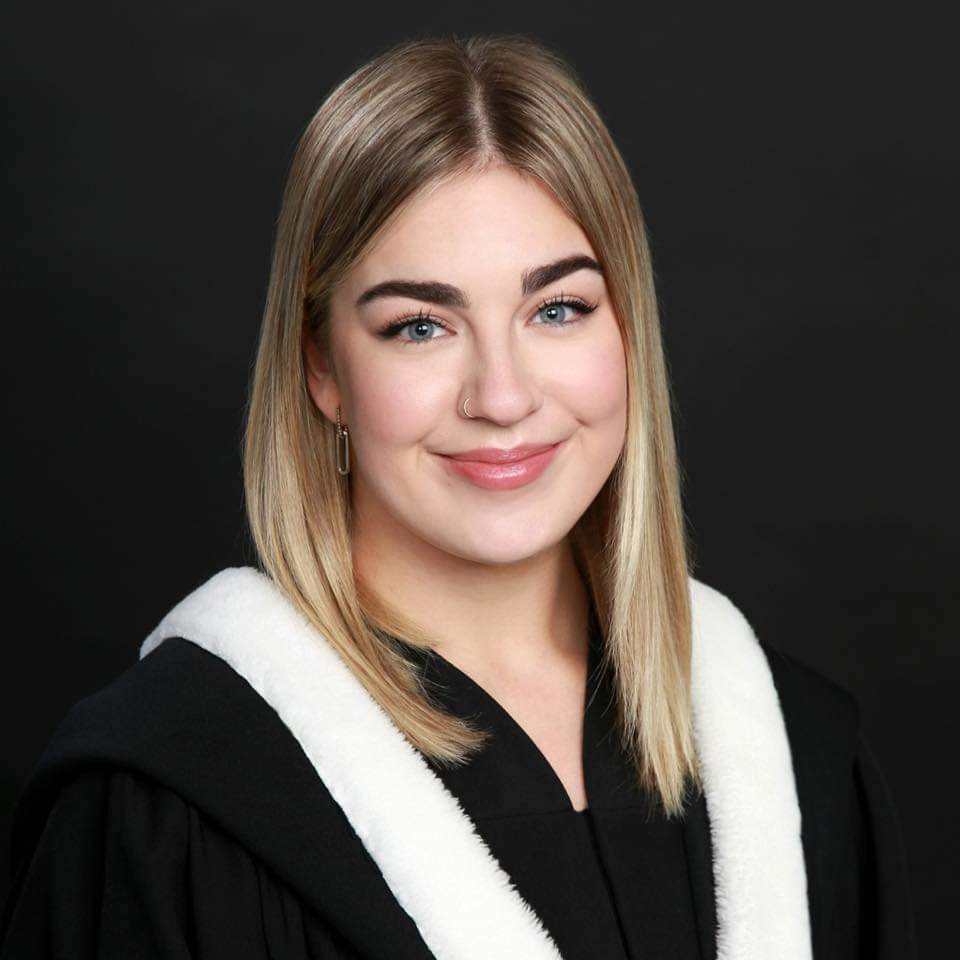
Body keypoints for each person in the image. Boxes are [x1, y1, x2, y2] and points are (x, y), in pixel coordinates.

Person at [0, 33, 917, 960]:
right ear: (322, 368)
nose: (502, 397)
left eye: (557, 309)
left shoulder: (792, 755)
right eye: (420, 326)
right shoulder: (165, 801)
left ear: (628, 329)